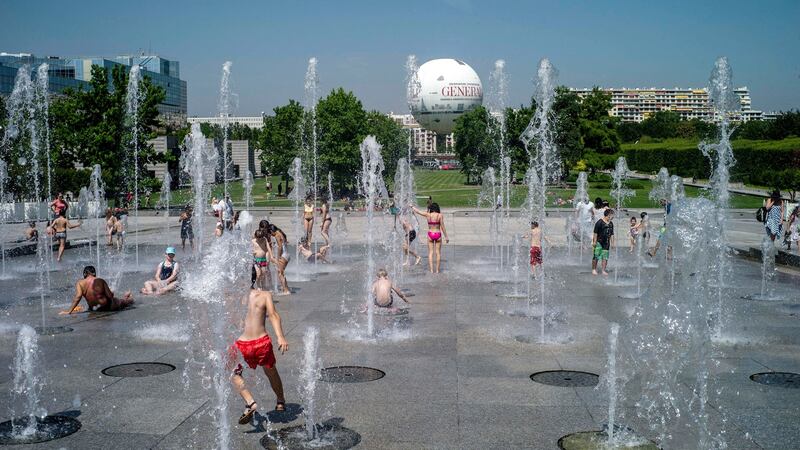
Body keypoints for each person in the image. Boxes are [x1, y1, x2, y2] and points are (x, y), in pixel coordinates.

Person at [230, 287, 289, 424]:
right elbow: (273, 315)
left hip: (242, 345)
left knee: (233, 373)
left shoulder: (234, 296)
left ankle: (250, 402)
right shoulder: (264, 294)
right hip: (261, 343)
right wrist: (280, 337)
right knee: (271, 371)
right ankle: (280, 401)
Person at [60, 266, 134, 314]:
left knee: (120, 301)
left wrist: (69, 311)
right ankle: (129, 298)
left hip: (94, 308)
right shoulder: (100, 280)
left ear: (85, 274)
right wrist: (111, 292)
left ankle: (127, 297)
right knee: (122, 302)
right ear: (94, 273)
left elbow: (78, 296)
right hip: (107, 307)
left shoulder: (80, 283)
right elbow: (110, 296)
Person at [411, 202, 449, 274]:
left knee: (430, 253)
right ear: (437, 208)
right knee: (438, 253)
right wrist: (446, 236)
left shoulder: (428, 214)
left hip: (430, 234)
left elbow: (418, 211)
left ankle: (431, 270)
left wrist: (412, 206)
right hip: (438, 234)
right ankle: (437, 271)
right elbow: (443, 226)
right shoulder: (440, 215)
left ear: (431, 208)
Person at [269, 224, 291, 295]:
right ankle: (286, 288)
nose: (270, 235)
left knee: (280, 273)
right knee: (281, 272)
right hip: (287, 254)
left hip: (283, 256)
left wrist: (278, 257)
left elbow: (280, 247)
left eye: (270, 233)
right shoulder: (281, 233)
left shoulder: (277, 235)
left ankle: (286, 290)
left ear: (272, 231)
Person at [592, 209, 615, 276]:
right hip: (599, 242)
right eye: (612, 215)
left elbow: (612, 234)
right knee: (596, 256)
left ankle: (603, 270)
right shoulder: (599, 222)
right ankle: (593, 269)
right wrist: (594, 242)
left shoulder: (611, 223)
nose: (613, 216)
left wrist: (613, 243)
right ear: (608, 215)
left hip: (606, 243)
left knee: (605, 257)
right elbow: (595, 233)